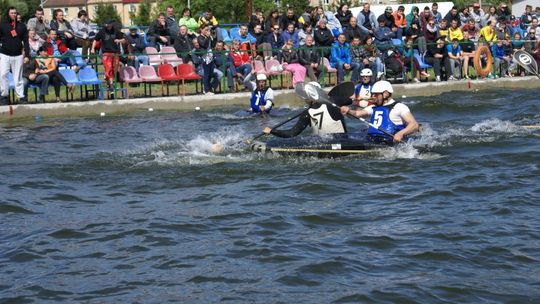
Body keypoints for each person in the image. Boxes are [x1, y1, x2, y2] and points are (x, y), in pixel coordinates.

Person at [341, 80, 419, 144]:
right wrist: (348, 111)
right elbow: (357, 114)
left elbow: (414, 125)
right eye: (373, 94)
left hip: (387, 142)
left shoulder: (399, 107)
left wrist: (401, 133)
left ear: (385, 94)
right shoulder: (374, 107)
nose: (373, 97)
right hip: (371, 139)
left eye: (376, 95)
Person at [263, 83, 347, 137]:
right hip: (344, 141)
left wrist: (272, 131)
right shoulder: (335, 102)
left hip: (323, 144)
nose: (304, 99)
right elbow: (349, 99)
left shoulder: (307, 113)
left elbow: (292, 133)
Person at [0, 7, 30, 105]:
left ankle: (21, 97)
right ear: (8, 14)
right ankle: (4, 96)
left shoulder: (22, 26)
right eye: (12, 13)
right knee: (3, 75)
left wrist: (27, 55)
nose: (14, 14)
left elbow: (26, 41)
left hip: (18, 55)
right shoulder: (3, 25)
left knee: (18, 77)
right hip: (4, 54)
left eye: (15, 13)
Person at [91, 19, 125, 98]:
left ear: (111, 25)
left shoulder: (116, 31)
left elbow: (124, 40)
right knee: (108, 68)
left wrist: (119, 40)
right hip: (106, 53)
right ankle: (111, 85)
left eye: (108, 24)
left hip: (115, 53)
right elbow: (95, 40)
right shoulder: (102, 31)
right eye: (106, 24)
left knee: (115, 69)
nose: (107, 26)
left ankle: (109, 81)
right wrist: (93, 48)